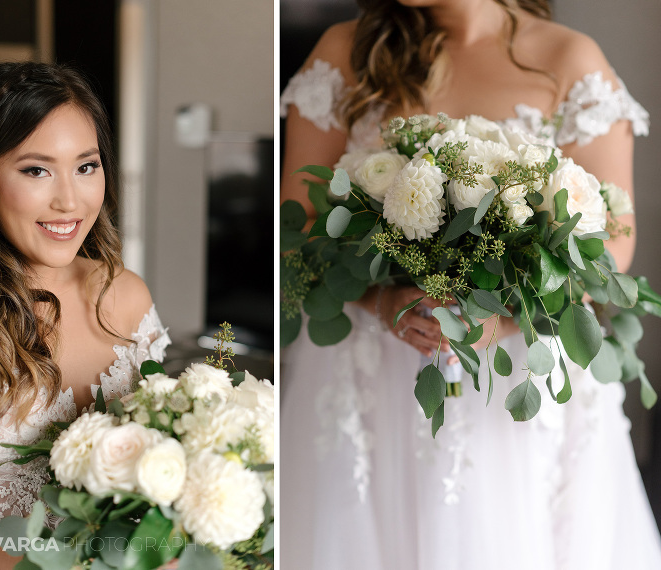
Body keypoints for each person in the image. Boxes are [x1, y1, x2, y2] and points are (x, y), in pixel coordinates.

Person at [280, 1, 661, 568]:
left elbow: (613, 240)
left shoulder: (569, 60)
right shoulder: (347, 51)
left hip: (515, 371)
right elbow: (299, 230)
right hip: (371, 364)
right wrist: (379, 298)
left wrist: (506, 317)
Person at [0, 62, 170, 569]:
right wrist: (78, 560)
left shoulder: (127, 295)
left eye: (87, 166)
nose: (69, 201)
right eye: (36, 169)